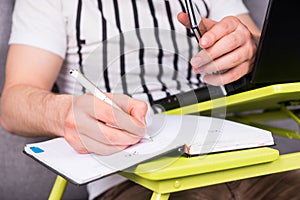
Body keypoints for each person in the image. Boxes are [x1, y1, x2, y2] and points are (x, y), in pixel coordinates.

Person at [1, 0, 299, 199]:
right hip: (132, 179)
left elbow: (264, 50)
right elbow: (13, 104)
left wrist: (250, 49)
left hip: (247, 159)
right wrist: (64, 110)